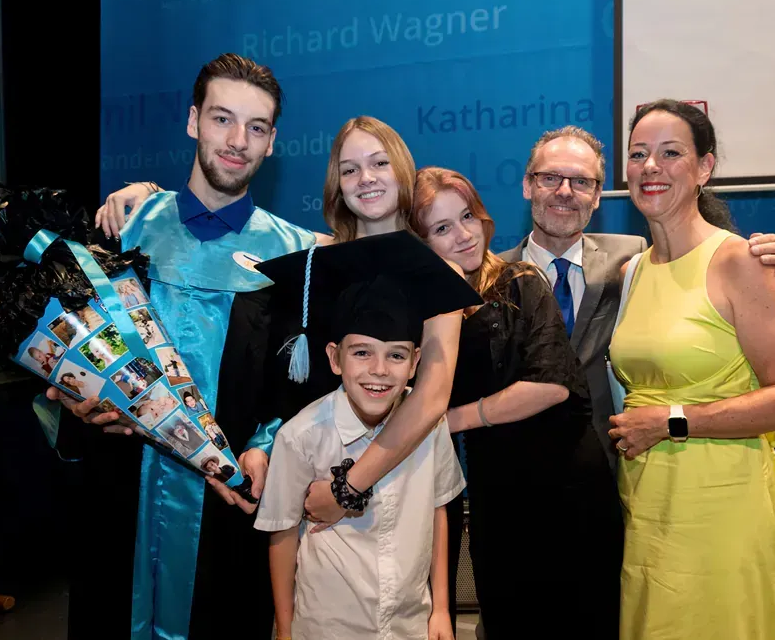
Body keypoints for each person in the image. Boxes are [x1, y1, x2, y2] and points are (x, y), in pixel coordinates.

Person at [101, 115, 472, 632]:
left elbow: (431, 397)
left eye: (379, 163)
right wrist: (149, 193)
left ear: (403, 171)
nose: (366, 177)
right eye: (349, 169)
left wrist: (347, 489)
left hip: (401, 478)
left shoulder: (439, 273)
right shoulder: (314, 253)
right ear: (336, 186)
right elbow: (223, 218)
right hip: (313, 483)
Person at [42, 53, 324, 640]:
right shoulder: (125, 229)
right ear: (193, 120)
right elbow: (70, 351)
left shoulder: (294, 254)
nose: (237, 141)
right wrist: (72, 398)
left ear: (272, 143)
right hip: (120, 490)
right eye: (222, 119)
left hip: (229, 502)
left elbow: (297, 389)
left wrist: (268, 445)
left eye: (256, 127)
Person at [608, 99, 775, 640]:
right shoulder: (632, 270)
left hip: (723, 507)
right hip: (649, 507)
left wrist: (671, 420)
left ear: (704, 168)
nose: (651, 166)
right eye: (638, 154)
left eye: (670, 153)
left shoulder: (744, 262)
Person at [502, 125, 775, 473]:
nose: (565, 192)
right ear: (527, 185)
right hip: (514, 473)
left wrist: (765, 261)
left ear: (598, 195)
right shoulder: (488, 279)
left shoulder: (633, 260)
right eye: (550, 178)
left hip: (615, 471)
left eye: (581, 181)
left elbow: (707, 272)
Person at [408, 167, 621, 638]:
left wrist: (451, 419)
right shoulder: (423, 308)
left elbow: (552, 385)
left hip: (565, 488)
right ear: (420, 242)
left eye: (466, 216)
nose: (463, 235)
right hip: (495, 494)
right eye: (441, 228)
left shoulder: (519, 281)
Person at [254, 231, 481, 640]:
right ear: (334, 358)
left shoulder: (429, 428)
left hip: (409, 621)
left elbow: (438, 510)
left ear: (415, 363)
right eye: (361, 352)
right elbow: (283, 532)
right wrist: (285, 630)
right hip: (328, 624)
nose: (379, 369)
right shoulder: (300, 435)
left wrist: (442, 608)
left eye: (396, 355)